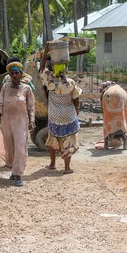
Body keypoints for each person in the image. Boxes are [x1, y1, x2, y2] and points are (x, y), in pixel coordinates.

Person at [39, 43, 81, 174]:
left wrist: (46, 52)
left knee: (52, 139)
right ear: (65, 68)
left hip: (54, 115)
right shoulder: (70, 82)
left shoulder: (50, 79)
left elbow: (41, 68)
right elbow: (76, 98)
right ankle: (67, 168)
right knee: (66, 141)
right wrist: (76, 109)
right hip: (68, 115)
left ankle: (52, 164)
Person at [0, 60, 35, 187]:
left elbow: (31, 107)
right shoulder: (5, 87)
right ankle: (13, 169)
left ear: (21, 74)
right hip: (7, 121)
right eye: (11, 73)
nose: (14, 76)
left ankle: (18, 174)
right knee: (9, 148)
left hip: (21, 122)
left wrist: (32, 120)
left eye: (16, 73)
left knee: (20, 147)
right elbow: (0, 103)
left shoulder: (26, 88)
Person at [99, 81, 127, 150]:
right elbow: (126, 108)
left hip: (109, 99)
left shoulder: (106, 92)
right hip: (122, 95)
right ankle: (125, 144)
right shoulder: (121, 90)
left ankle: (106, 144)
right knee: (123, 117)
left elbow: (103, 109)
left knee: (107, 118)